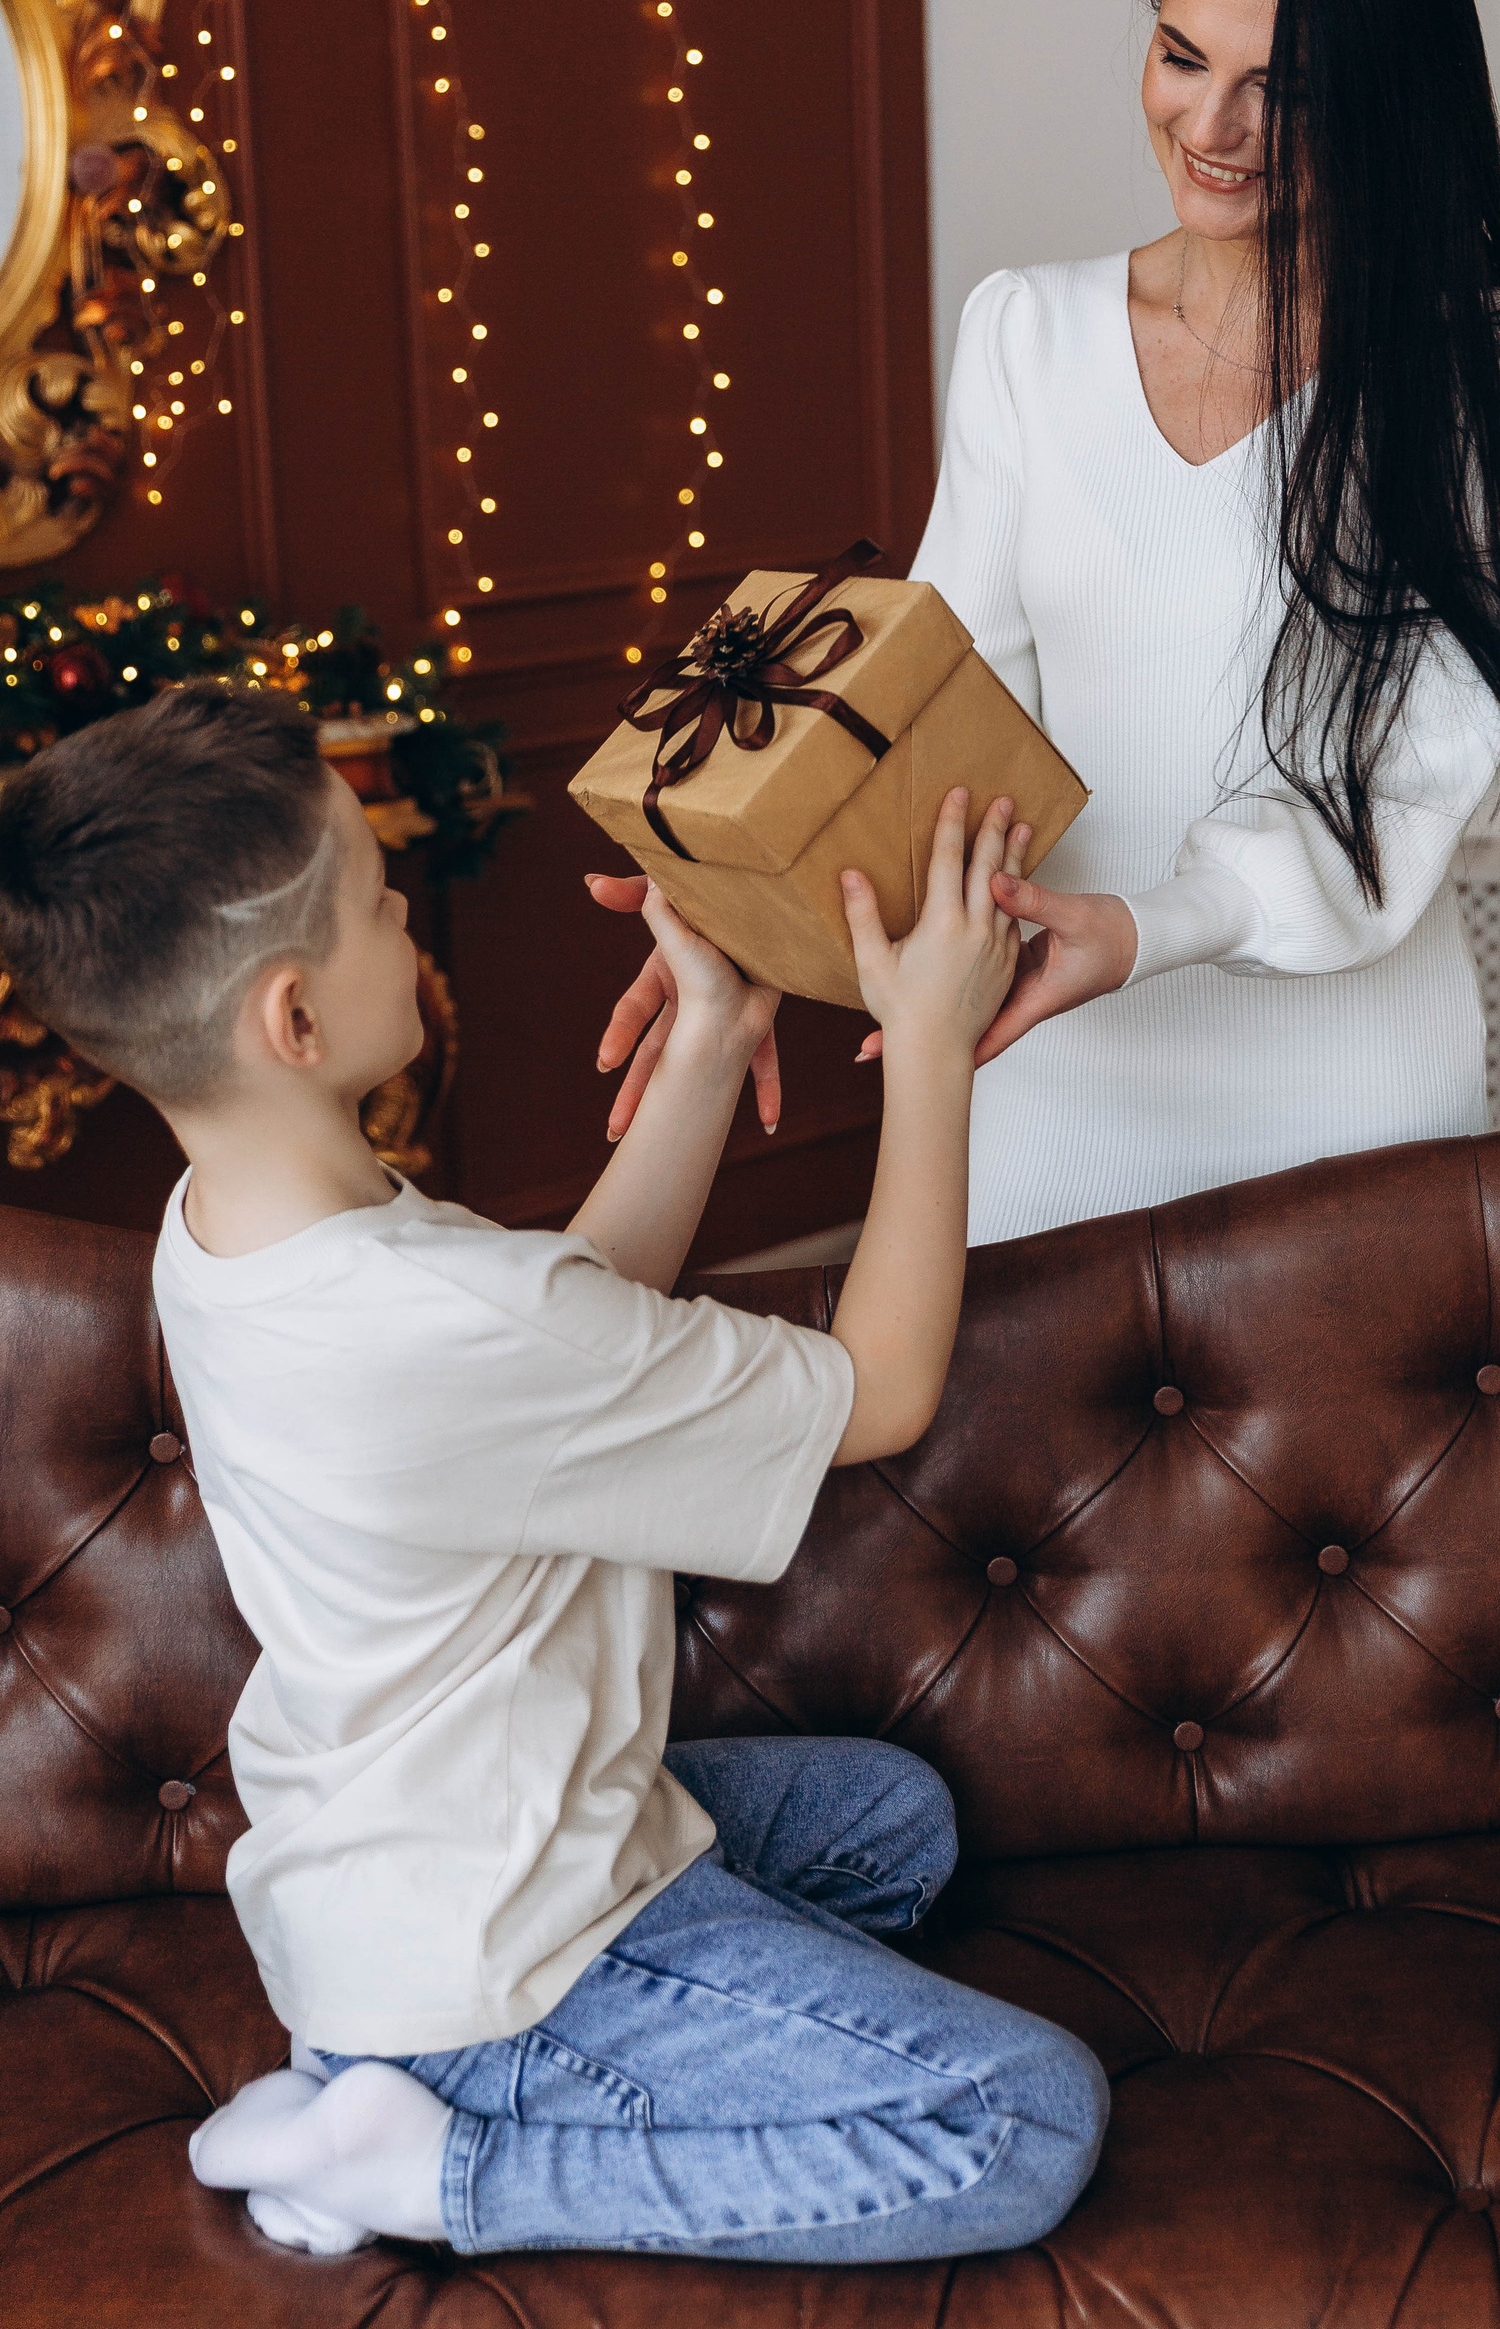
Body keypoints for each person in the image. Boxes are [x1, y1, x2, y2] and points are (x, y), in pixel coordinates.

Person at [0, 682, 1104, 2264]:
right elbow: (878, 1394)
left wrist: (712, 1037)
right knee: (1022, 2117)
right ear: (295, 1021)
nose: (407, 915)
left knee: (894, 1820)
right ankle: (436, 2166)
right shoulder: (436, 1321)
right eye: (378, 900)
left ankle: (383, 2068)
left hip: (390, 1878)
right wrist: (931, 1050)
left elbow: (555, 1335)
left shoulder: (231, 1227)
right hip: (500, 1961)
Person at [662, 0, 1500, 1248]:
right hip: (1048, 1076)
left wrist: (1144, 928)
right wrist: (744, 897)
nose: (1210, 131)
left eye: (1282, 89)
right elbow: (939, 721)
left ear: (1392, 97)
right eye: (1181, 56)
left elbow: (1406, 785)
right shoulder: (1026, 334)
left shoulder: (1498, 370)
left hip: (1349, 1108)